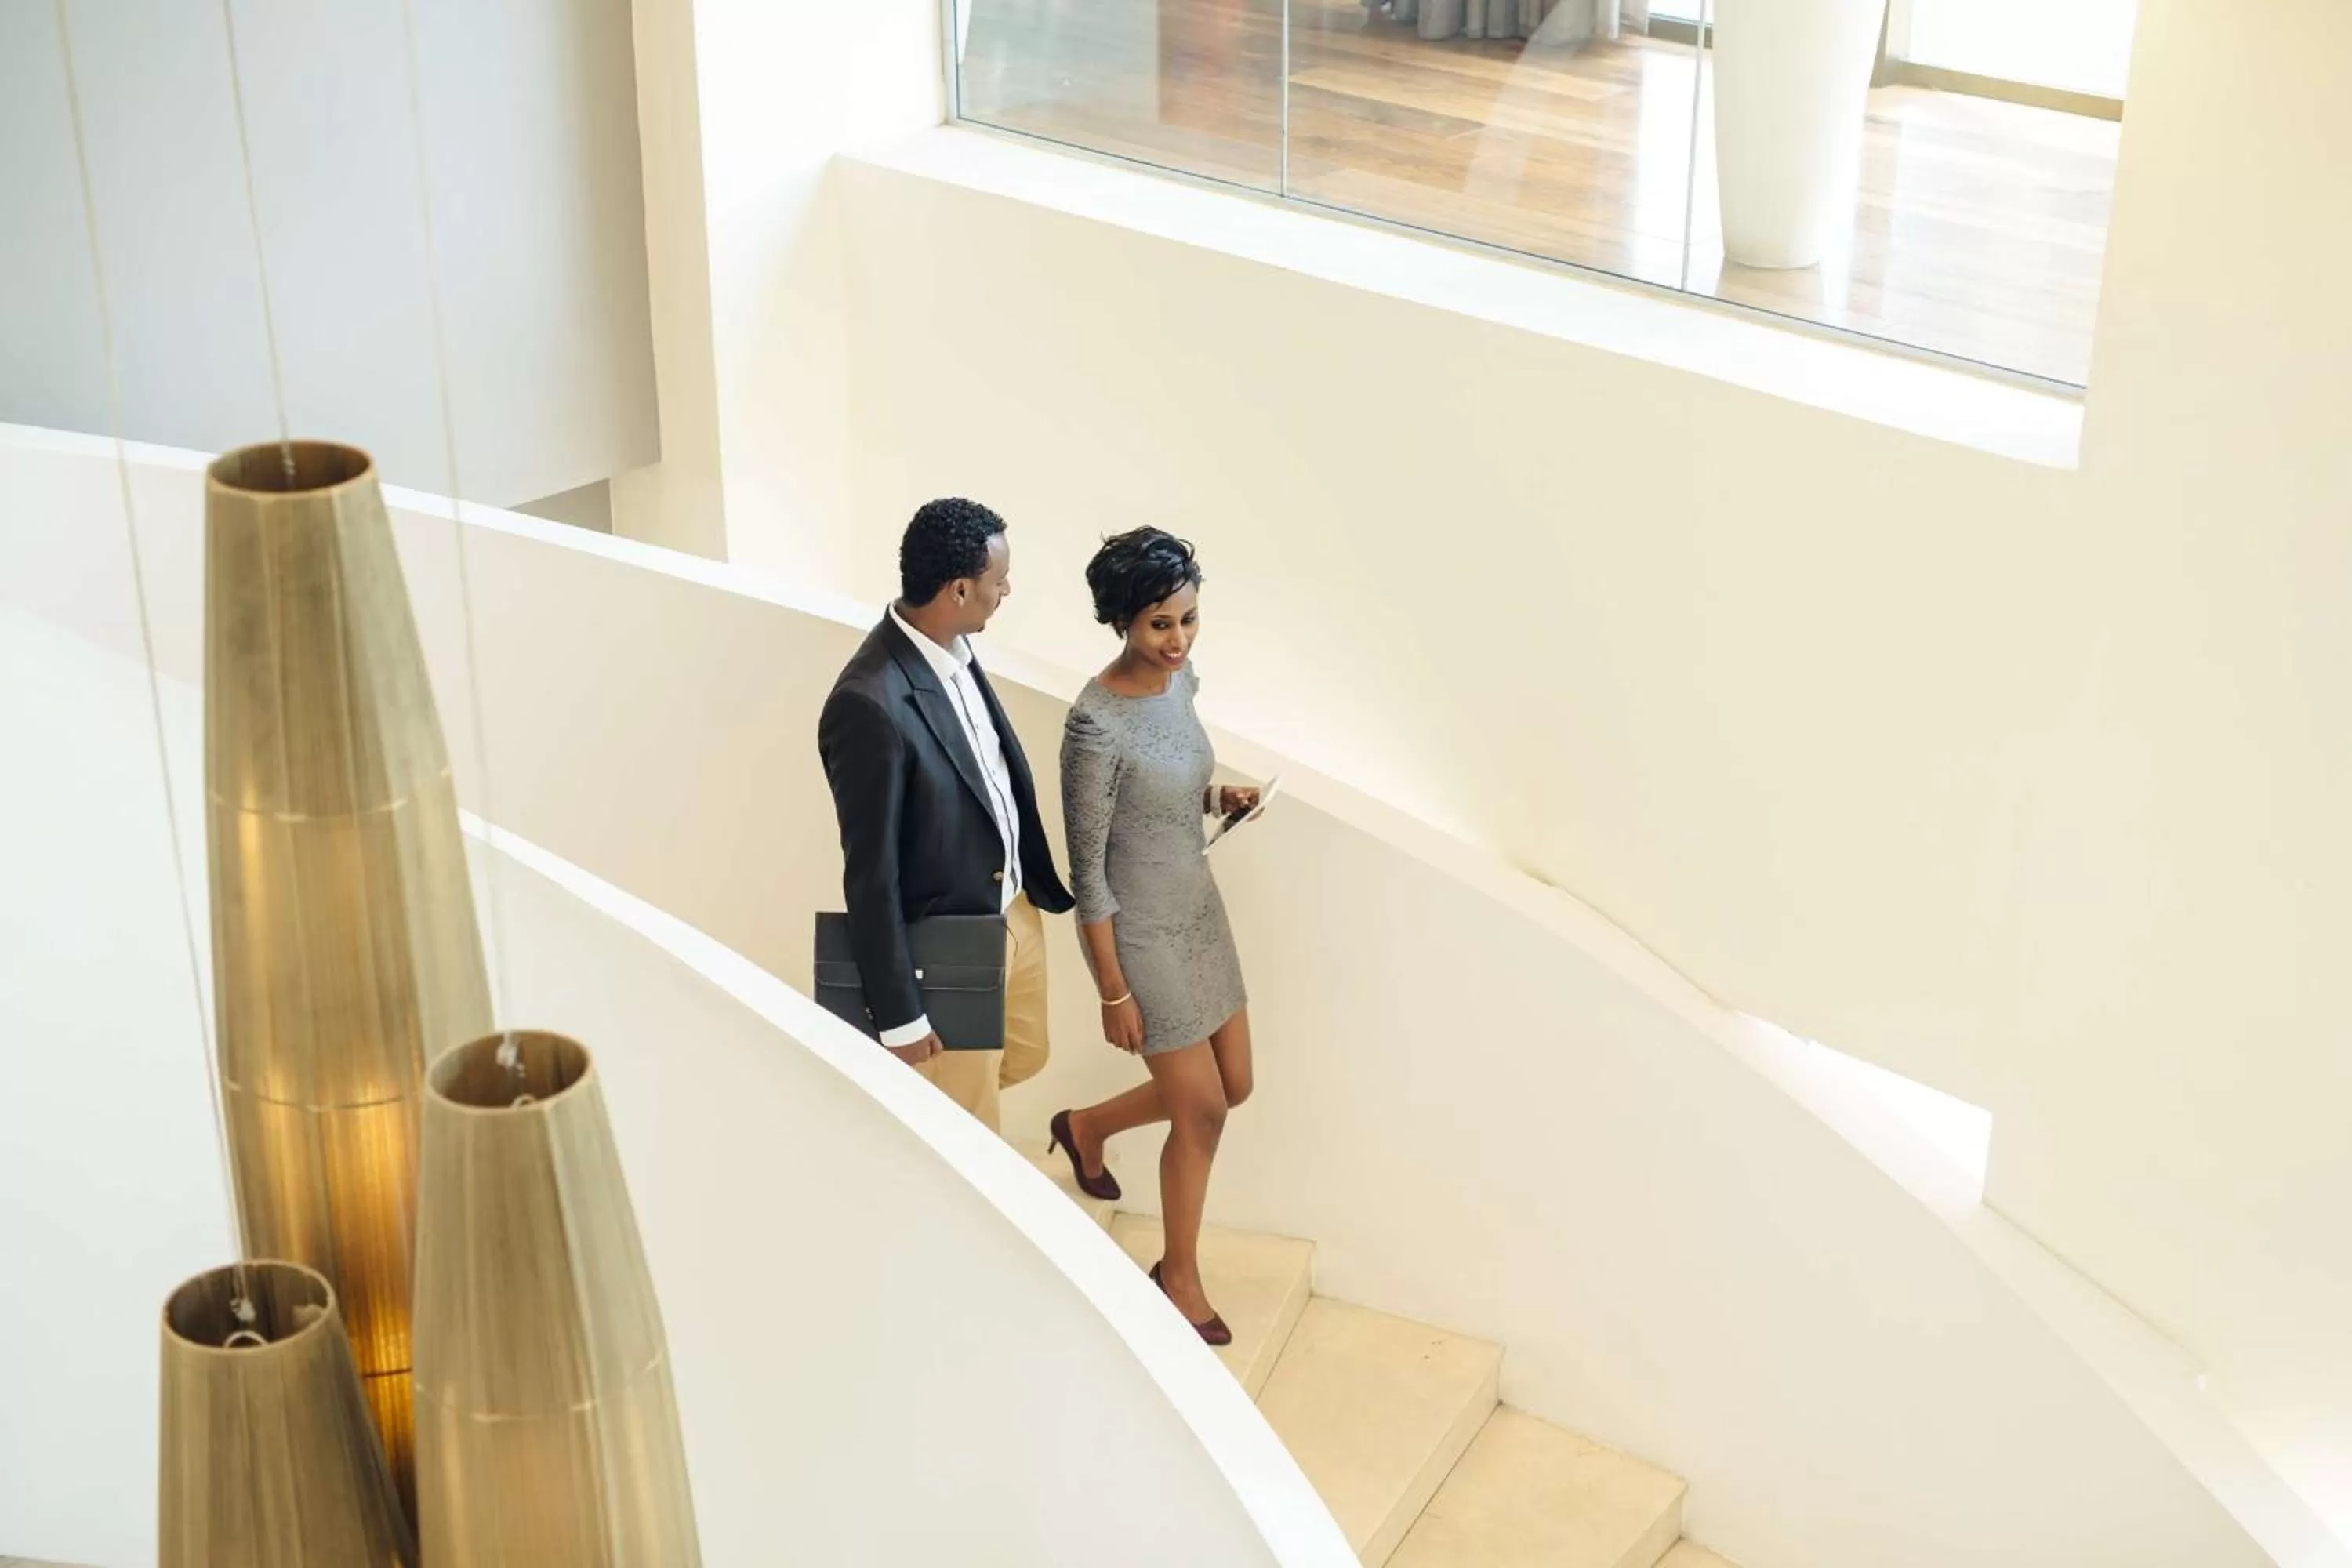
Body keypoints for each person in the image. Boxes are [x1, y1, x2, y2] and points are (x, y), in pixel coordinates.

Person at [1046, 529, 1261, 1345]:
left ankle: (1089, 1126)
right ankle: (1177, 1275)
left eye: (1189, 620)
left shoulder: (1181, 681)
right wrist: (1112, 988)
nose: (1178, 642)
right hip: (1136, 931)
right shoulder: (1094, 726)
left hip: (1199, 908)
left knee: (1232, 1082)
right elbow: (1088, 869)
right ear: (1121, 621)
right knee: (1201, 1109)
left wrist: (1219, 798)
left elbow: (1172, 786)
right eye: (1159, 625)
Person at [818, 499, 1075, 1134]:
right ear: (959, 589)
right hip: (948, 941)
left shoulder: (953, 647)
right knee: (969, 1126)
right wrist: (901, 1016)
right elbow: (870, 876)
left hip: (1014, 911)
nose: (1006, 590)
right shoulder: (867, 704)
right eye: (998, 581)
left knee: (1025, 1058)